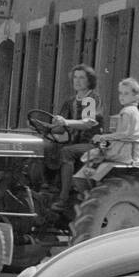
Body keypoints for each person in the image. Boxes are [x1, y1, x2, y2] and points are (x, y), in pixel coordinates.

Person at [74, 78, 139, 197]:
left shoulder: (127, 111)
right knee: (95, 153)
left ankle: (88, 191)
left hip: (123, 150)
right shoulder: (135, 111)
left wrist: (102, 137)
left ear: (136, 97)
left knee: (90, 156)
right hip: (128, 148)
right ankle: (91, 189)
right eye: (121, 93)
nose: (122, 96)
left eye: (126, 93)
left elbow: (124, 133)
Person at [47, 65, 105, 212]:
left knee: (66, 151)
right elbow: (60, 127)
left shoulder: (91, 99)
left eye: (82, 78)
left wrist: (65, 122)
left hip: (91, 144)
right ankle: (47, 187)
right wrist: (45, 127)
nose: (77, 81)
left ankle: (63, 198)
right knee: (47, 146)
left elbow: (87, 123)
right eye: (75, 77)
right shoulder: (71, 101)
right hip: (75, 143)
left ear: (89, 81)